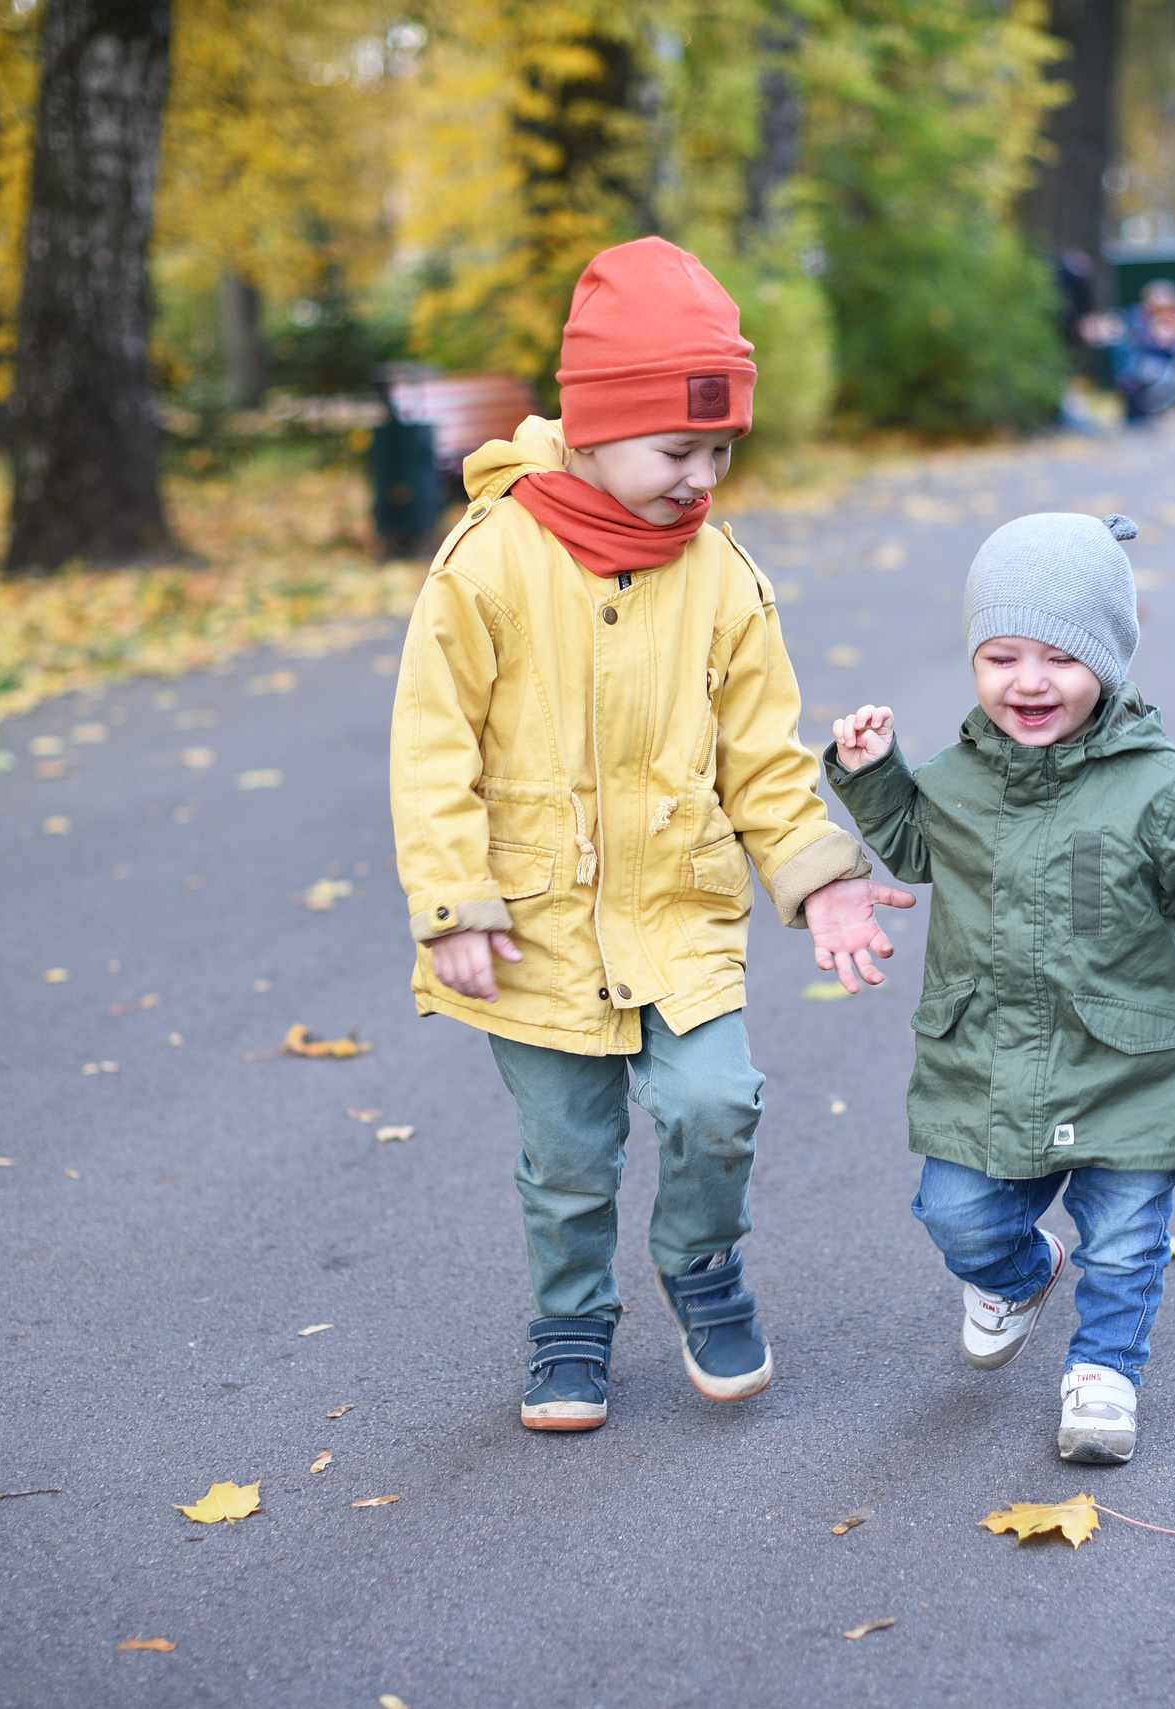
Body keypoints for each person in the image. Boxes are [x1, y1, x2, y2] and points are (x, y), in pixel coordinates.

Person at [388, 236, 915, 1434]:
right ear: (589, 428)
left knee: (715, 1105)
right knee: (568, 1156)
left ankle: (702, 1264)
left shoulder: (721, 574)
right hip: (534, 924)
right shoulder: (489, 562)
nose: (703, 477)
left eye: (721, 449)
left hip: (677, 913)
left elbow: (764, 755)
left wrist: (819, 875)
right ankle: (570, 1319)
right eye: (678, 448)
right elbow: (431, 749)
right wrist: (454, 901)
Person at [823, 513, 1175, 1464]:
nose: (1029, 681)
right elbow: (910, 843)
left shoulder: (1155, 781)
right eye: (1001, 656)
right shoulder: (958, 777)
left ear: (1108, 661)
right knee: (956, 1213)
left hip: (1125, 1061)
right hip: (986, 1055)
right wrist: (870, 776)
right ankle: (1020, 1271)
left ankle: (1105, 1370)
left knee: (1125, 1237)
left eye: (1061, 658)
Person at [1104, 280, 1175, 426]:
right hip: (1139, 364)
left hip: (1165, 364)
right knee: (1133, 374)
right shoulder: (1137, 316)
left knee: (1154, 375)